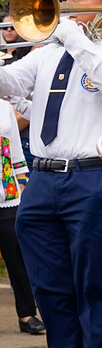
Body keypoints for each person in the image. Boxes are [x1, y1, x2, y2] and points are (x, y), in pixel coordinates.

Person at [1, 0, 102, 347]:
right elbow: (9, 84)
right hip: (43, 180)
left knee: (95, 287)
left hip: (92, 176)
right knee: (52, 291)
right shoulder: (46, 51)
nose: (66, 4)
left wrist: (76, 39)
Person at [0, 97, 45, 335]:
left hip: (6, 190)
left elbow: (14, 146)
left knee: (17, 251)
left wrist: (21, 180)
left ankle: (27, 313)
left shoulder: (4, 107)